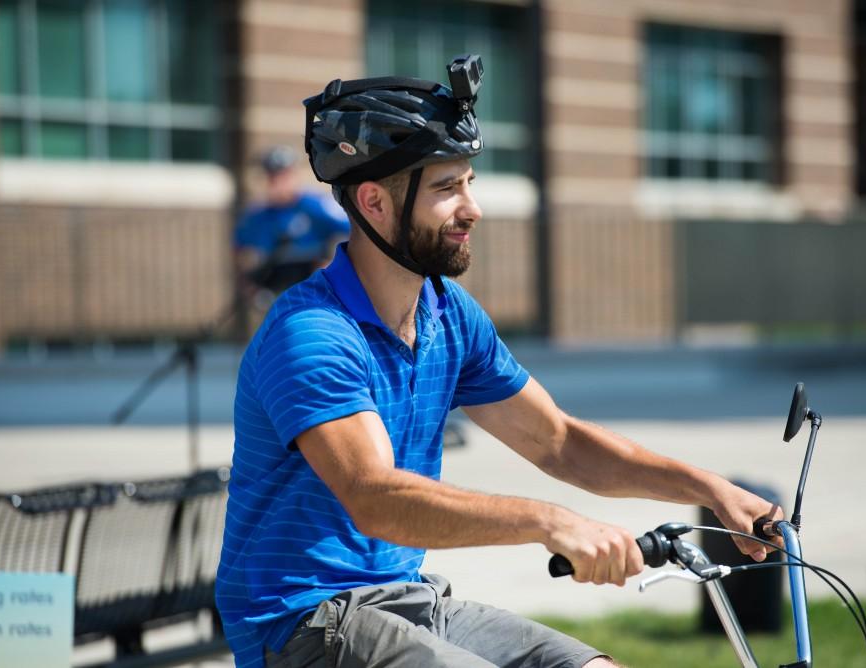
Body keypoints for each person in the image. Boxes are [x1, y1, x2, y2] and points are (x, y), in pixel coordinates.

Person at [216, 65, 782, 668]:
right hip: (304, 621)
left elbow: (558, 441)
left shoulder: (448, 314)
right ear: (374, 201)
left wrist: (711, 490)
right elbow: (374, 496)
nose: (473, 208)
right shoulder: (312, 335)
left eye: (469, 182)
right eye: (446, 189)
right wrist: (547, 521)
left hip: (408, 602)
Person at [234, 146, 350, 305]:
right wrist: (251, 287)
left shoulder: (317, 205)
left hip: (315, 284)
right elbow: (240, 252)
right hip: (276, 288)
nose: (279, 182)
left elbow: (351, 231)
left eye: (284, 175)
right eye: (273, 176)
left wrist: (331, 264)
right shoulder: (257, 216)